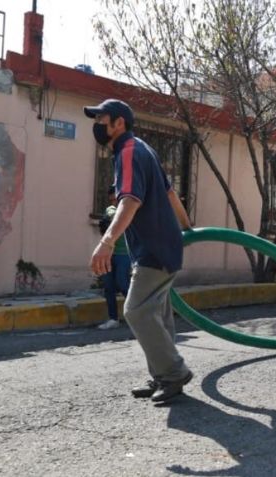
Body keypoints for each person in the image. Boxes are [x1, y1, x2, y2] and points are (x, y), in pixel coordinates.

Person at [85, 98, 194, 402]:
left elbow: (130, 201)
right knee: (158, 314)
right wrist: (187, 227)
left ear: (118, 123)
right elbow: (170, 193)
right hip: (162, 245)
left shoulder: (130, 152)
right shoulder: (143, 148)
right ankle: (163, 375)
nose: (97, 125)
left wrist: (106, 242)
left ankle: (173, 373)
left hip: (155, 248)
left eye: (100, 119)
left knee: (136, 311)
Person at [97, 185, 132, 330]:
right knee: (109, 286)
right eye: (111, 200)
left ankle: (137, 313)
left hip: (124, 254)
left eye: (115, 200)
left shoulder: (130, 209)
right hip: (109, 253)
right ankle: (113, 318)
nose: (113, 203)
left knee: (123, 284)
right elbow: (109, 217)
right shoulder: (110, 210)